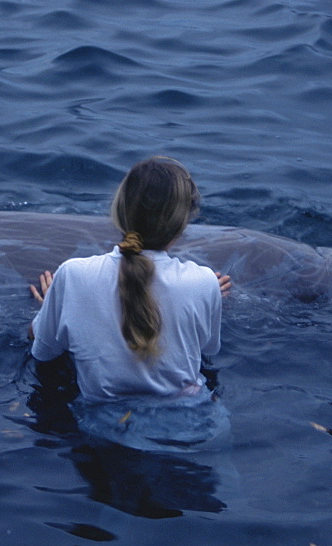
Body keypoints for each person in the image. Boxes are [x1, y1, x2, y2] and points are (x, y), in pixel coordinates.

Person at [29, 156, 231, 405]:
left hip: (102, 422)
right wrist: (208, 296)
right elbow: (208, 350)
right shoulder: (204, 281)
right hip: (191, 420)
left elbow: (44, 350)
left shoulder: (72, 275)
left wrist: (53, 304)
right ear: (182, 225)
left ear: (119, 211)